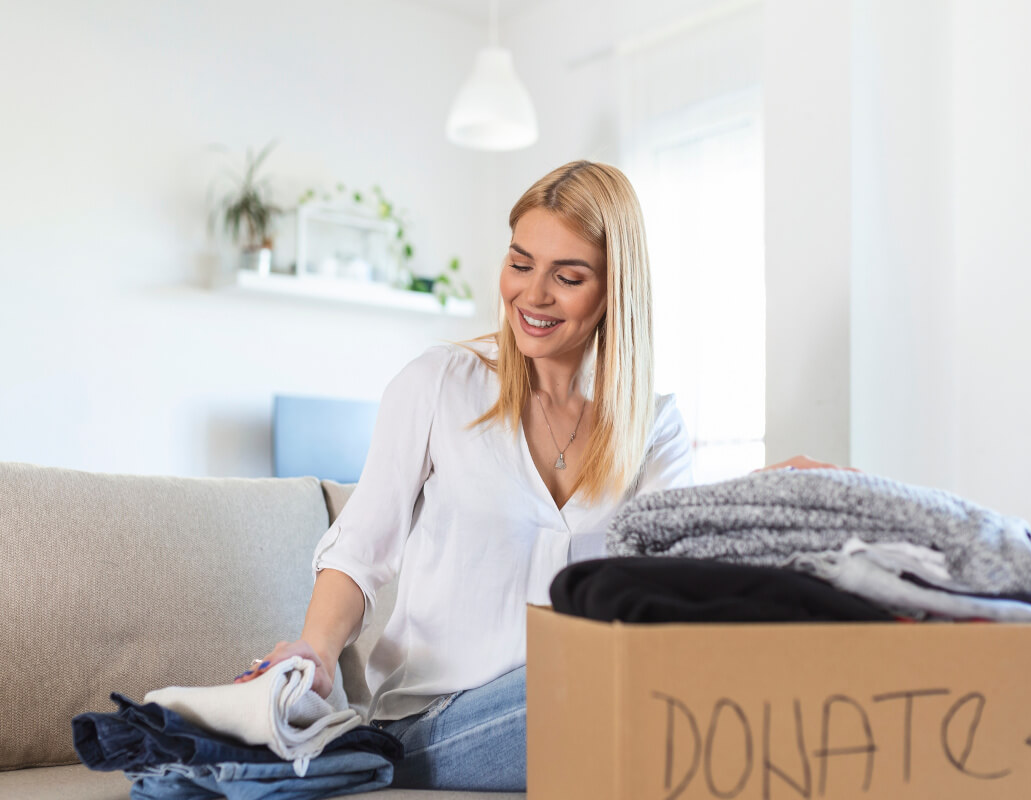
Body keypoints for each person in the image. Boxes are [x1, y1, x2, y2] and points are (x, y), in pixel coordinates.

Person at [234, 160, 695, 791]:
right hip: (435, 721)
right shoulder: (440, 384)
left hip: (591, 696)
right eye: (520, 262)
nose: (532, 295)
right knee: (609, 689)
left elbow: (679, 585)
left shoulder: (654, 427)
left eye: (568, 276)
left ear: (617, 288)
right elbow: (361, 549)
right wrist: (315, 652)